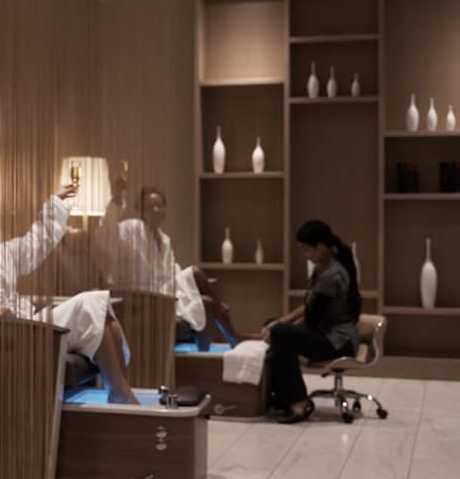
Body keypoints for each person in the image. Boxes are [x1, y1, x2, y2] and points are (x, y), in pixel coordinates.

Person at [0, 185, 138, 404]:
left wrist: (55, 203)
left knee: (104, 318)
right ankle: (121, 394)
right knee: (90, 304)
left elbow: (37, 242)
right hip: (10, 334)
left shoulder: (1, 252)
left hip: (29, 323)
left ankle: (121, 392)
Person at [96, 178, 244, 349]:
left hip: (165, 295)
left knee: (207, 302)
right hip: (143, 300)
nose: (156, 210)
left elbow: (173, 271)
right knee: (195, 273)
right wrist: (115, 201)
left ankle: (208, 354)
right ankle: (229, 327)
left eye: (159, 206)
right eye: (150, 207)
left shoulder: (164, 239)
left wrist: (190, 287)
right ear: (141, 211)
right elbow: (105, 236)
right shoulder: (130, 230)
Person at [260, 220, 361, 424]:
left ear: (321, 247)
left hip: (338, 341)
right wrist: (282, 320)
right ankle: (281, 397)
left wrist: (281, 329)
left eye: (307, 251)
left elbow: (313, 317)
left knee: (281, 334)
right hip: (327, 333)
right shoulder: (323, 267)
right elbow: (310, 305)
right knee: (276, 326)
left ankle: (298, 401)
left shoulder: (332, 274)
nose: (306, 256)